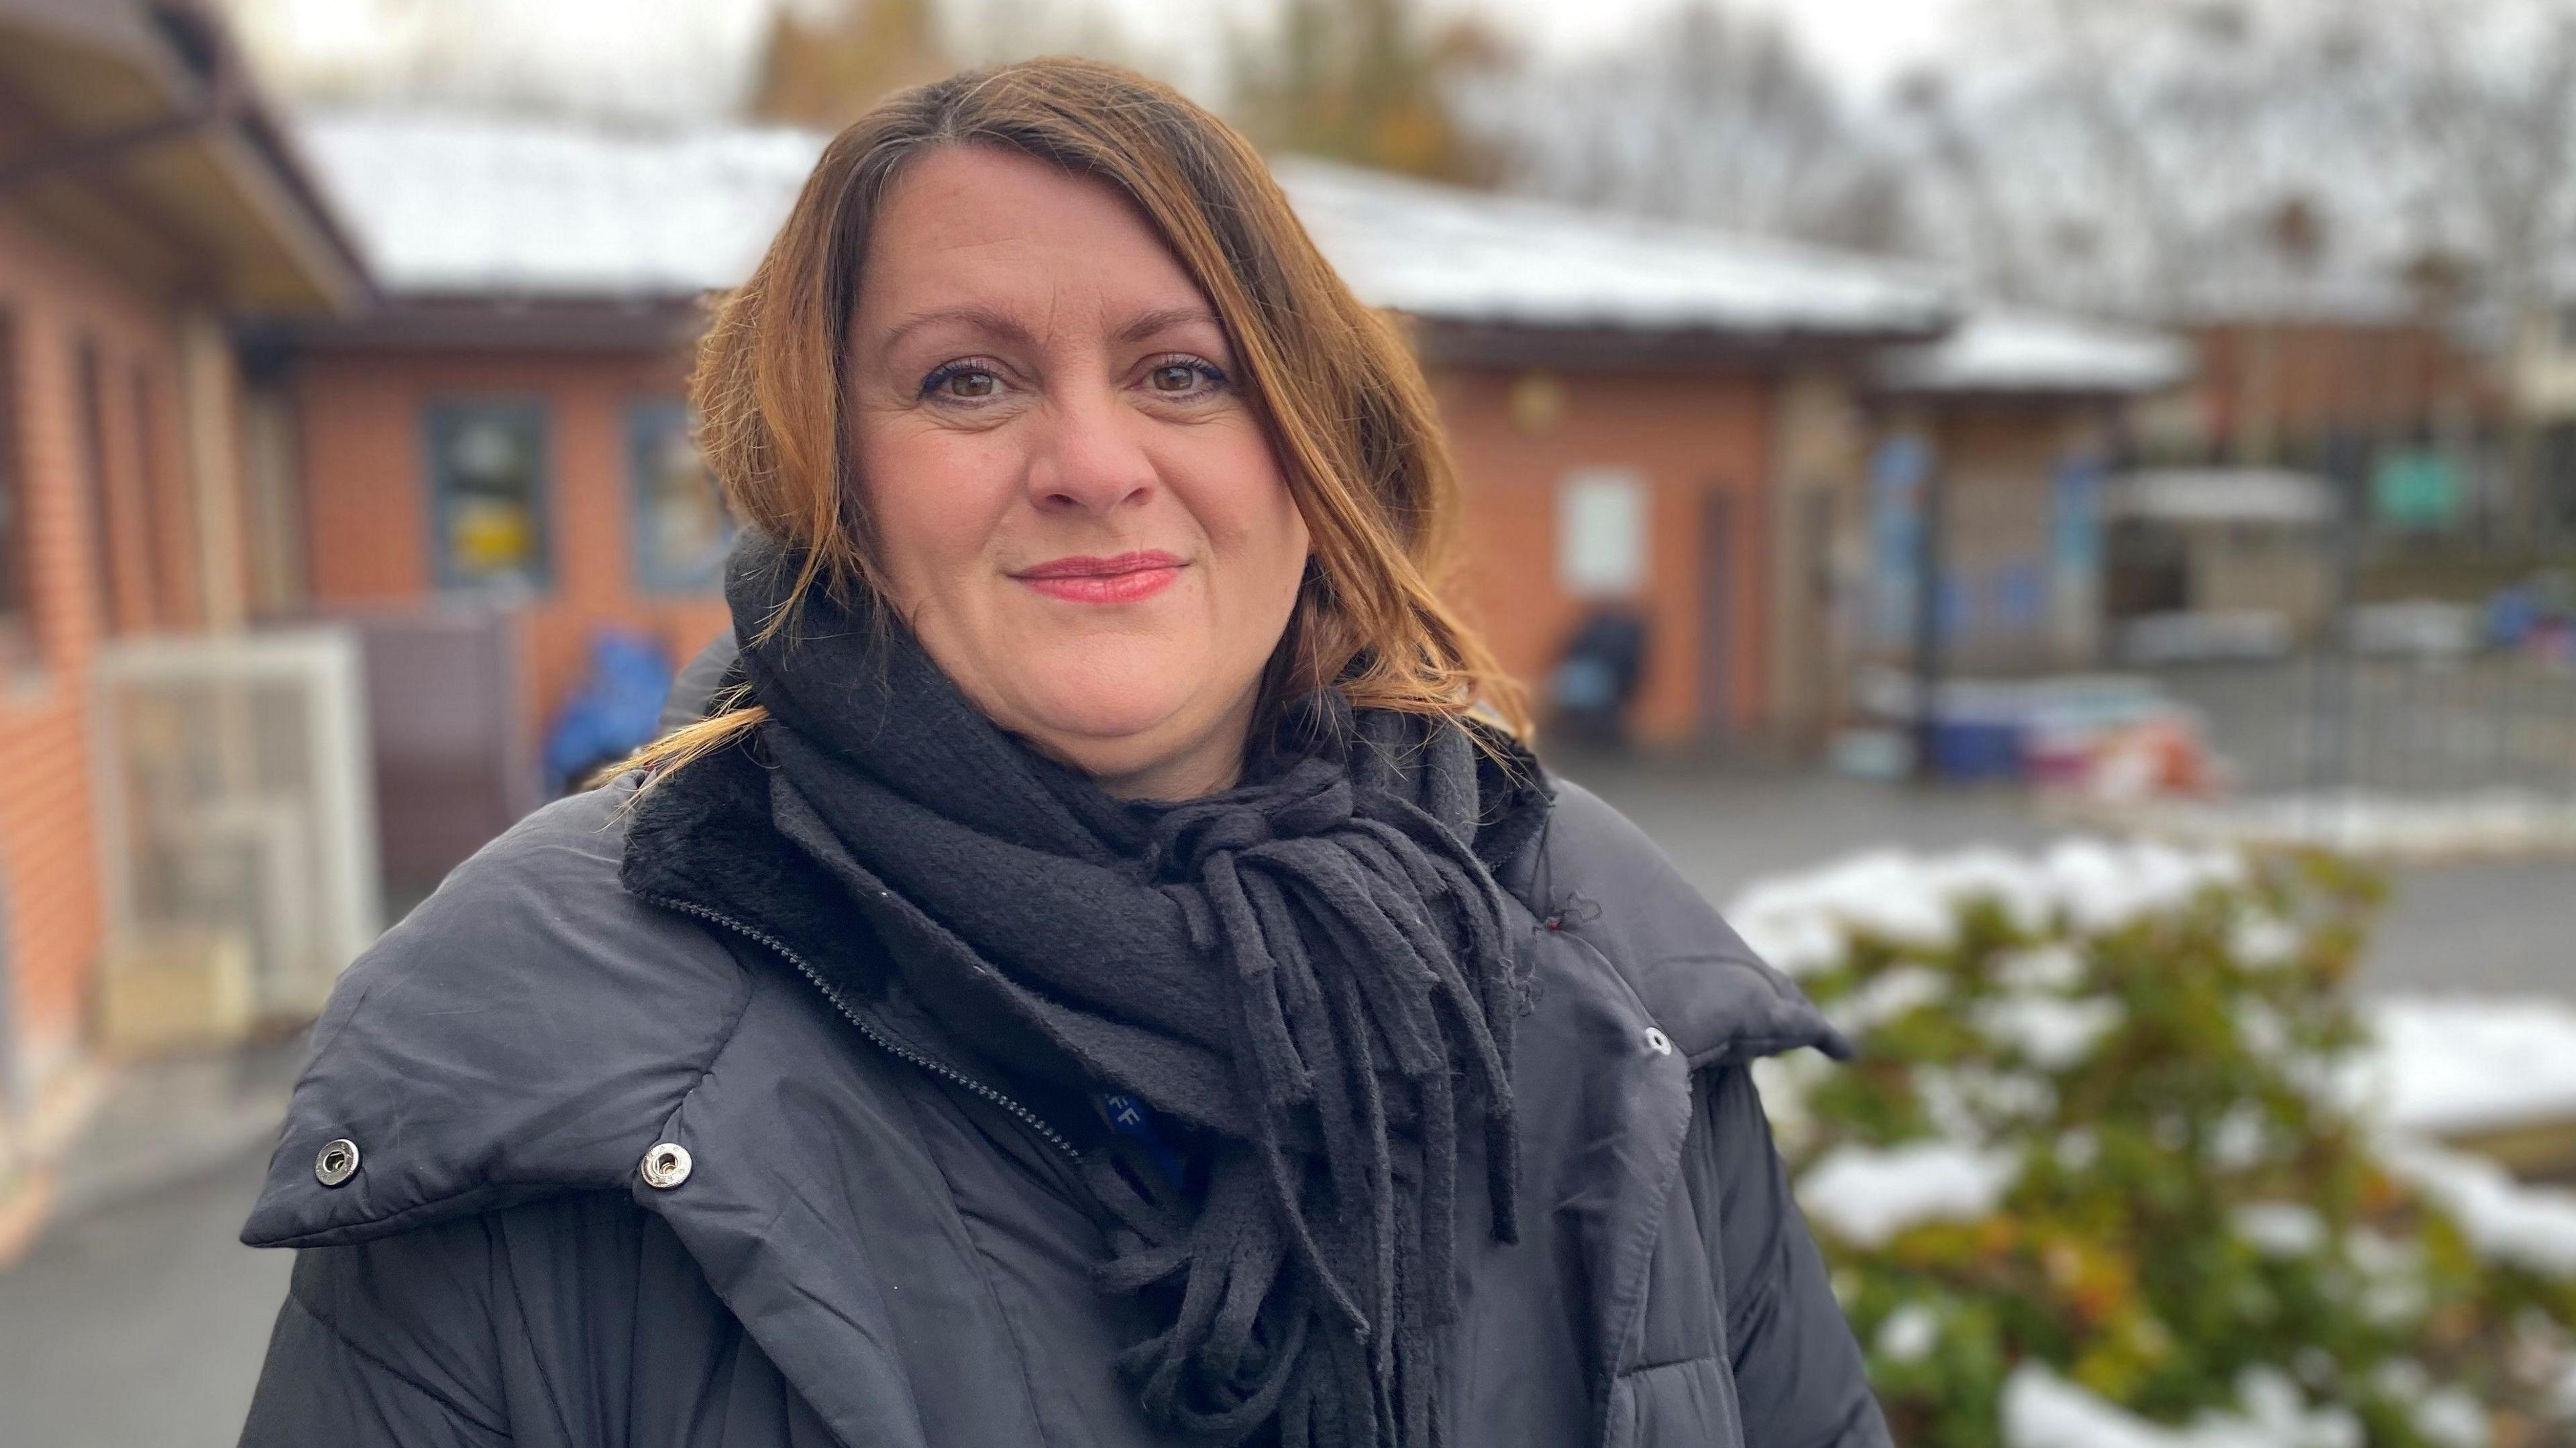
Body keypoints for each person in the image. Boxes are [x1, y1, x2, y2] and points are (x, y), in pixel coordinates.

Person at [235, 58, 1889, 1448]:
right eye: (967, 381)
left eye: (1183, 373)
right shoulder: (535, 1027)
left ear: (1309, 449)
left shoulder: (1590, 949)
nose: (1094, 464)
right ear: (831, 477)